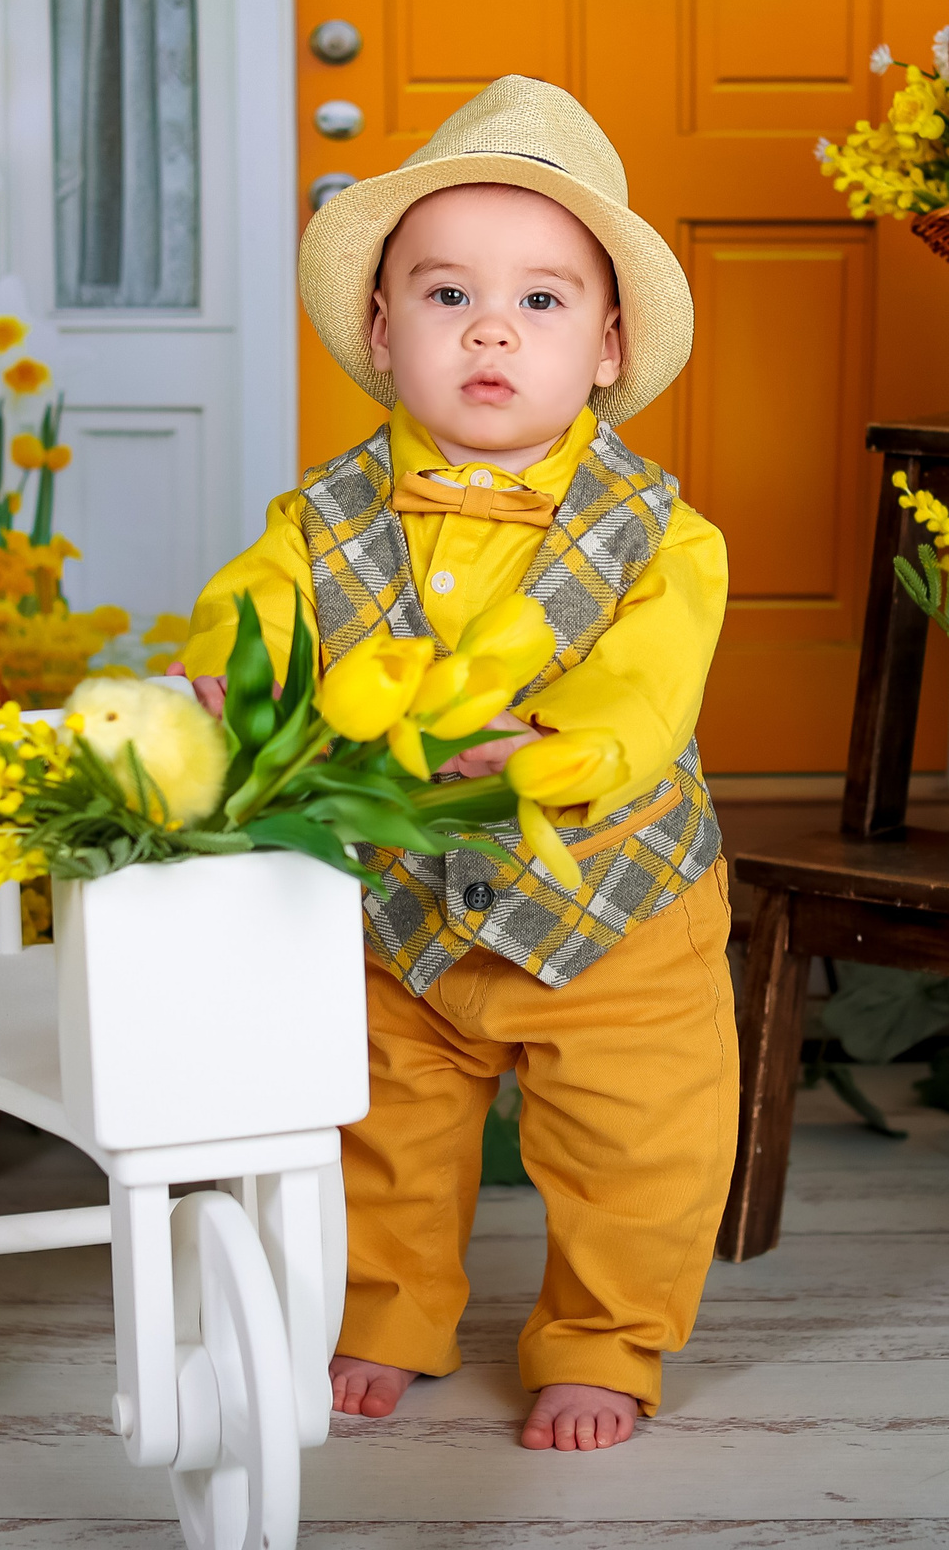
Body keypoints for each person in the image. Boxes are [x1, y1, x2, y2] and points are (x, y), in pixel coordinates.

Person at [177, 75, 733, 1452]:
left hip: (613, 909)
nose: (491, 327)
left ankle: (603, 1339)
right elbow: (250, 612)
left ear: (606, 347)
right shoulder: (315, 521)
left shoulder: (663, 534)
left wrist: (563, 746)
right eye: (444, 296)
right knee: (380, 1128)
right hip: (398, 909)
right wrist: (234, 689)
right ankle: (386, 1308)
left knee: (636, 1147)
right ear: (378, 330)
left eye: (541, 301)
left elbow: (647, 681)